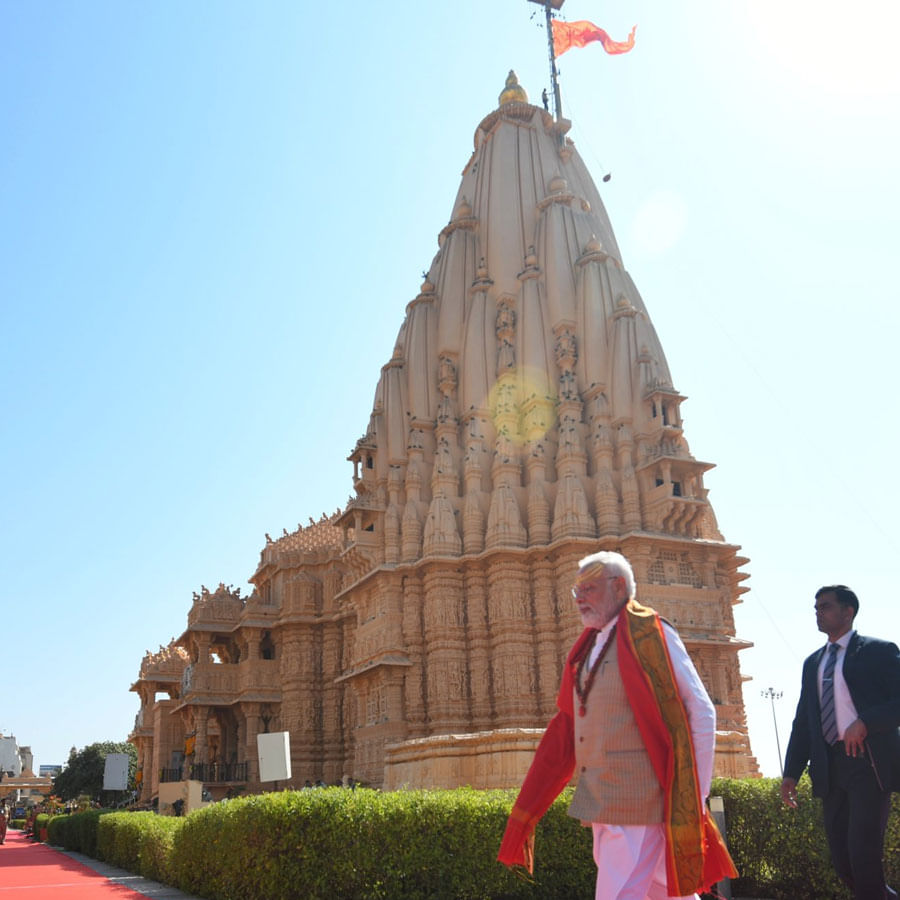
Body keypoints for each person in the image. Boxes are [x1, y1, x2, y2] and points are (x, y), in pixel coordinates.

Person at [498, 550, 736, 899]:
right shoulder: (587, 648)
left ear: (619, 586)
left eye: (589, 588)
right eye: (575, 590)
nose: (579, 598)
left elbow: (700, 711)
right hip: (604, 802)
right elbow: (566, 730)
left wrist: (693, 796)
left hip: (640, 802)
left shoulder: (650, 634)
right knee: (666, 894)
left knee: (618, 893)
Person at [781, 584, 900, 899]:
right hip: (829, 768)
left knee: (863, 854)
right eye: (816, 607)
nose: (818, 612)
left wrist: (866, 722)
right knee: (843, 861)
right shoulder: (813, 663)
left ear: (848, 612)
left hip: (868, 764)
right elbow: (804, 722)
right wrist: (790, 773)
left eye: (826, 606)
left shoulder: (879, 652)